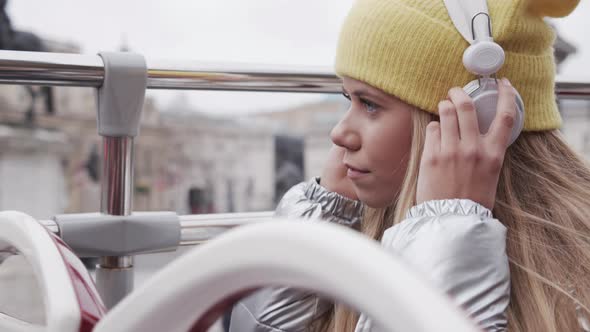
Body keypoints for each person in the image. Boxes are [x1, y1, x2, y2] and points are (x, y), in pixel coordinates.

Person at [229, 0, 589, 331]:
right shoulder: (374, 232)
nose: (339, 134)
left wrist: (449, 233)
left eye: (369, 104)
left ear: (482, 118)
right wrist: (320, 222)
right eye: (347, 99)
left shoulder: (572, 296)